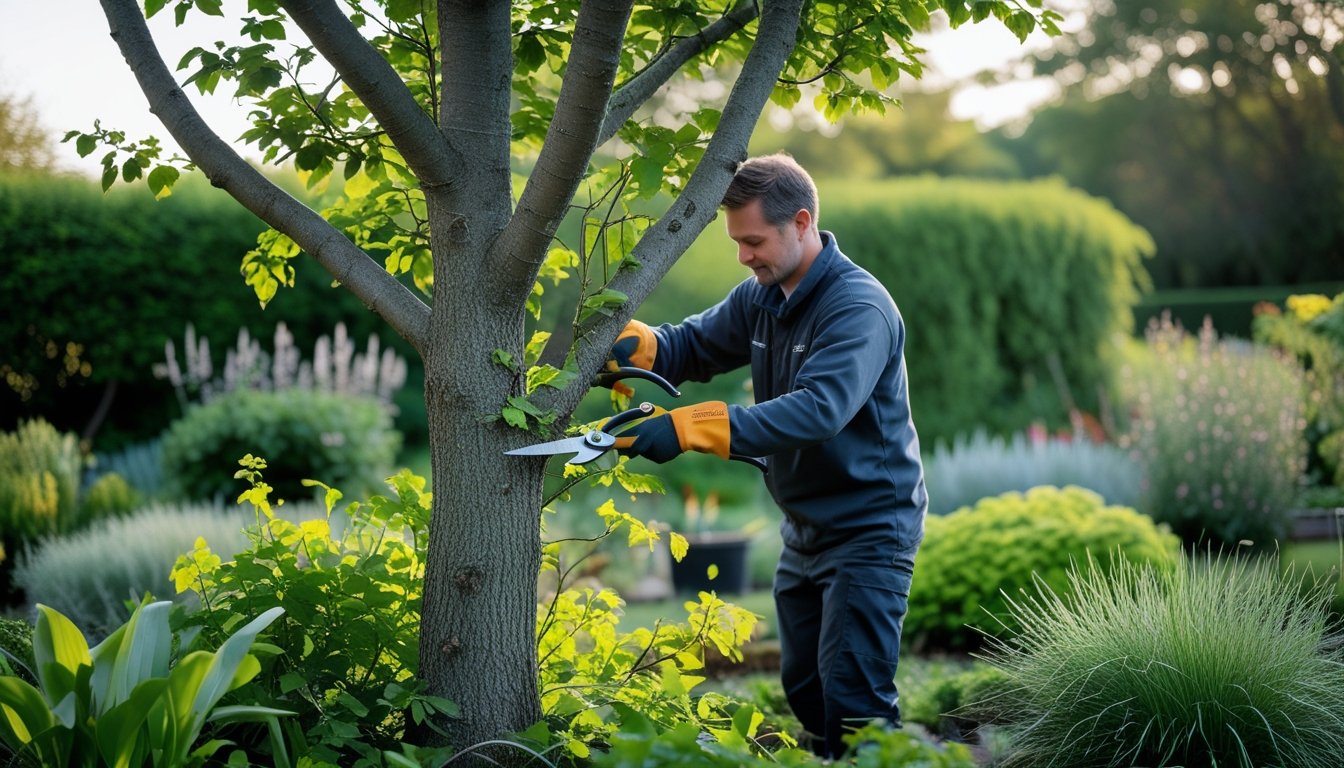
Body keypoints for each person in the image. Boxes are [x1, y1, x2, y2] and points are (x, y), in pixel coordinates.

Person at [607, 153, 928, 758]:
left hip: (867, 528)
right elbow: (694, 346)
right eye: (737, 242)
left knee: (856, 708)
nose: (743, 255)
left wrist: (689, 428)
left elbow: (818, 410)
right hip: (803, 528)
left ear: (801, 223)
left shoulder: (856, 308)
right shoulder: (765, 293)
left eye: (752, 241)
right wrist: (639, 348)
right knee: (807, 692)